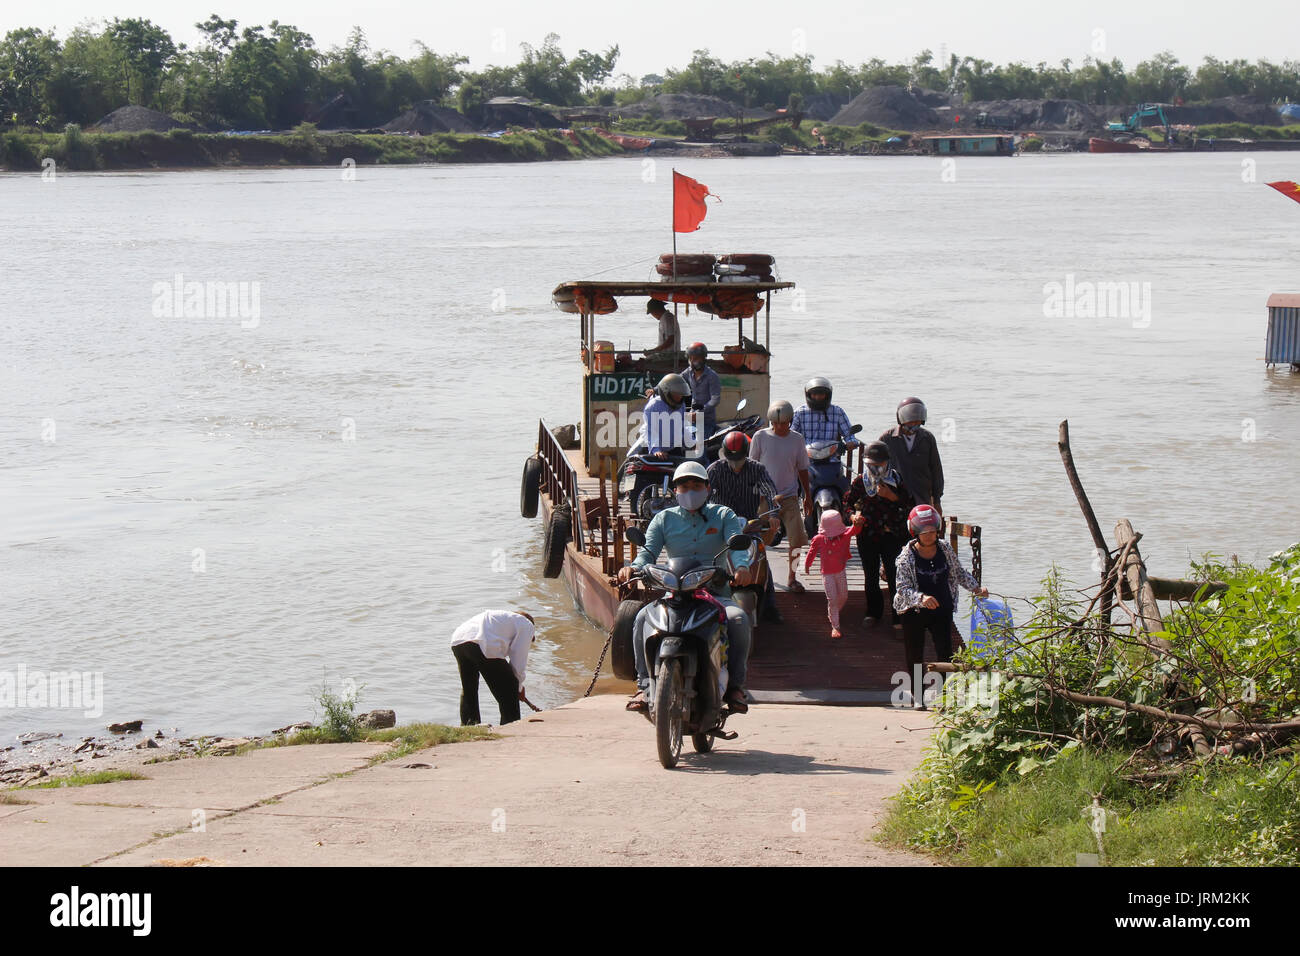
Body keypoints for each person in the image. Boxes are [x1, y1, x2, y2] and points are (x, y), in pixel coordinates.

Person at [617, 461, 753, 713]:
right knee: (640, 619)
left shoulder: (723, 515)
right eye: (684, 486)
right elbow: (647, 552)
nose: (690, 491)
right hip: (674, 593)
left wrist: (742, 568)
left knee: (738, 620)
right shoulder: (663, 518)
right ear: (676, 491)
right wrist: (633, 568)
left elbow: (738, 549)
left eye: (696, 485)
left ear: (707, 488)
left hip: (714, 593)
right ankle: (644, 685)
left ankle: (736, 686)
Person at [893, 505, 988, 710]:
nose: (929, 536)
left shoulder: (945, 549)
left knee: (945, 652)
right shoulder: (905, 558)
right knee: (915, 653)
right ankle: (918, 695)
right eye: (924, 532)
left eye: (932, 532)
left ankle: (944, 695)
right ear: (915, 532)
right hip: (913, 611)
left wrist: (976, 588)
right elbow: (902, 588)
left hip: (942, 608)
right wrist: (921, 598)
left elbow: (959, 573)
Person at [707, 430, 783, 623]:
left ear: (746, 455)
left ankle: (771, 605)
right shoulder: (714, 470)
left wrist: (773, 515)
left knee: (761, 557)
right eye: (732, 459)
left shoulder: (757, 469)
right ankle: (707, 600)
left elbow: (770, 490)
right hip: (721, 525)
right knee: (711, 560)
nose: (736, 464)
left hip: (750, 524)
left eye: (739, 459)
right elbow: (704, 495)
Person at [844, 441, 915, 627]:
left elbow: (911, 507)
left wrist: (892, 497)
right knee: (871, 575)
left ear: (887, 462)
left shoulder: (897, 480)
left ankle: (898, 617)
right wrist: (853, 517)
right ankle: (873, 613)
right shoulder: (860, 482)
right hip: (868, 535)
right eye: (871, 465)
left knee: (894, 575)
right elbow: (847, 504)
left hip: (893, 535)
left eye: (879, 465)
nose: (875, 468)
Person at [749, 400, 812, 593]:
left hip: (790, 496)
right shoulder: (760, 437)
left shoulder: (797, 439)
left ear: (790, 421)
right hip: (764, 497)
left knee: (797, 539)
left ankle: (792, 577)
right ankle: (758, 574)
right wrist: (755, 496)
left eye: (784, 423)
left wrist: (808, 495)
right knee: (760, 539)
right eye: (776, 423)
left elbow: (802, 469)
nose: (780, 427)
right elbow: (752, 468)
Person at [450, 609, 536, 726]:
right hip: (483, 640)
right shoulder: (527, 625)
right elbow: (518, 661)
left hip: (458, 639)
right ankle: (510, 727)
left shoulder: (504, 618)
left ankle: (469, 725)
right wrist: (518, 688)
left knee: (469, 687)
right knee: (509, 687)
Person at [804, 509, 865, 639]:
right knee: (832, 598)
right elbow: (811, 552)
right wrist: (807, 564)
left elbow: (856, 530)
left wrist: (859, 520)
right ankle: (835, 625)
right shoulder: (819, 539)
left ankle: (833, 612)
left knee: (843, 596)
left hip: (840, 571)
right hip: (827, 574)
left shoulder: (845, 535)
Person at [879, 397, 944, 515]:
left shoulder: (927, 438)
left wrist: (937, 500)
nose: (914, 423)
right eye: (910, 420)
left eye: (917, 420)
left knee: (922, 530)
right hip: (894, 497)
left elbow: (936, 470)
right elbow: (876, 467)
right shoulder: (887, 439)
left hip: (921, 497)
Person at [792, 377, 860, 460]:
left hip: (831, 459)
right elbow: (792, 435)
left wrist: (850, 443)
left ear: (827, 395)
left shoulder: (837, 412)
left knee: (839, 471)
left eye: (821, 394)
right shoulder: (800, 412)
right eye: (814, 394)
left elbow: (849, 434)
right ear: (808, 395)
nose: (817, 397)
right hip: (806, 459)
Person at [638, 373, 694, 459]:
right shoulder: (653, 406)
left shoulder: (681, 406)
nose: (679, 397)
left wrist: (692, 442)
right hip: (651, 448)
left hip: (672, 449)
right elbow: (651, 431)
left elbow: (682, 427)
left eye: (681, 394)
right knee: (632, 460)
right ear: (666, 392)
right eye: (676, 393)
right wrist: (656, 450)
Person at [682, 342, 722, 441]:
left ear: (703, 358)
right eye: (690, 358)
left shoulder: (712, 376)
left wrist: (700, 413)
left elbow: (715, 399)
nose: (692, 361)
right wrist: (657, 389)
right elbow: (676, 380)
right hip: (692, 416)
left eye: (695, 358)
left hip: (706, 420)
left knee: (700, 449)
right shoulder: (689, 372)